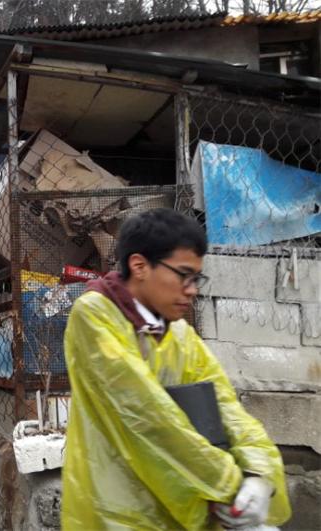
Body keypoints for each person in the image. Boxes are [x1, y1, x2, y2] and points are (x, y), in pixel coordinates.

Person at [61, 208, 291, 529]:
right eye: (184, 275)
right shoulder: (95, 316)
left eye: (197, 278)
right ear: (139, 266)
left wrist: (257, 471)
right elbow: (146, 416)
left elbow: (225, 406)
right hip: (113, 512)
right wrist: (230, 486)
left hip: (176, 510)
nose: (192, 289)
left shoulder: (179, 334)